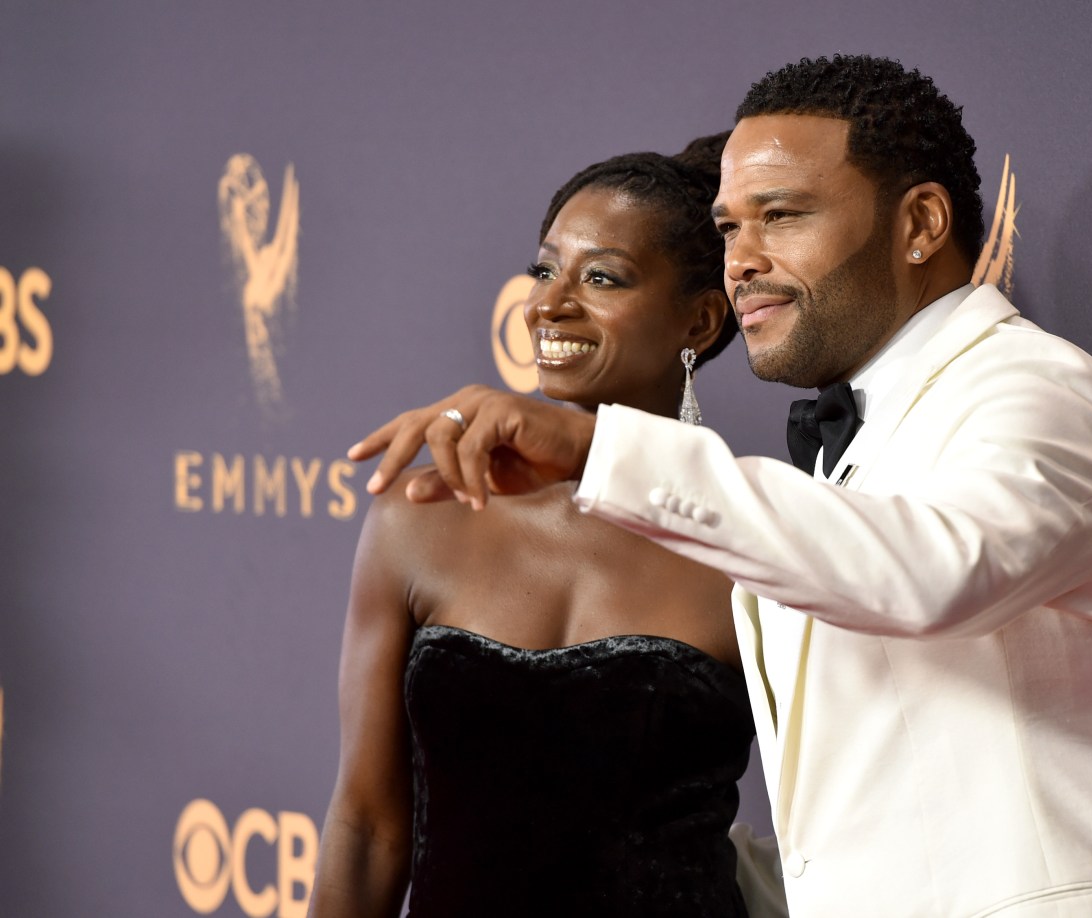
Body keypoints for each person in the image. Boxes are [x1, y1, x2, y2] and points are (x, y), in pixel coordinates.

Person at [351, 55, 1092, 916]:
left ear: (920, 224)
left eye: (781, 215)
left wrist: (601, 451)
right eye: (731, 228)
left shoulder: (1035, 388)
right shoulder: (851, 450)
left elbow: (936, 572)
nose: (742, 259)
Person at [310, 139, 765, 917]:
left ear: (700, 319)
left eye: (602, 277)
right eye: (545, 269)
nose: (548, 304)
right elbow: (365, 827)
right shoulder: (426, 513)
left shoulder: (755, 535)